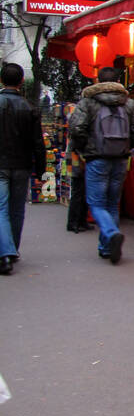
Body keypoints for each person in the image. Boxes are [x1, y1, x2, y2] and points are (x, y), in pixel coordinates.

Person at [68, 67, 134, 265]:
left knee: (96, 203)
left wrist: (85, 148)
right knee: (113, 203)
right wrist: (126, 145)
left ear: (98, 81)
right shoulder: (129, 104)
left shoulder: (88, 102)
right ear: (119, 80)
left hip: (96, 158)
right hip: (121, 159)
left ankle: (111, 233)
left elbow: (76, 128)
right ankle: (106, 247)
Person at [0, 62, 45, 275]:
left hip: (1, 164)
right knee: (17, 209)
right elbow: (38, 142)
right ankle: (12, 249)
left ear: (1, 80)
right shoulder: (30, 108)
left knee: (1, 208)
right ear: (20, 82)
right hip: (22, 164)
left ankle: (5, 252)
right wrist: (41, 170)